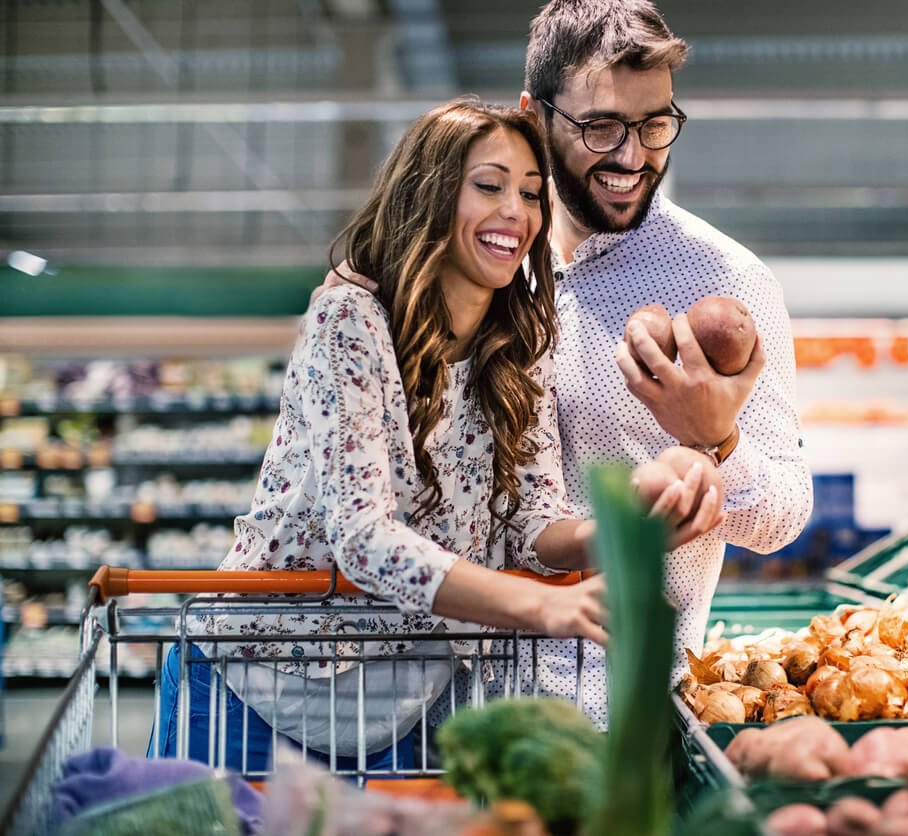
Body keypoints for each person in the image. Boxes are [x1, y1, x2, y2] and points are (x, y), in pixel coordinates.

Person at [152, 99, 722, 772]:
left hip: (402, 699)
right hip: (255, 680)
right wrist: (544, 606)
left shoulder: (519, 345)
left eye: (532, 194)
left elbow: (530, 526)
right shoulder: (351, 321)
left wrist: (627, 530)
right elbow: (363, 538)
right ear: (430, 195)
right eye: (489, 186)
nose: (517, 210)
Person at [326, 0, 813, 728]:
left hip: (620, 711)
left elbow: (783, 518)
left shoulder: (727, 285)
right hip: (423, 709)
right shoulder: (474, 265)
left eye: (654, 125)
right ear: (533, 118)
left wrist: (718, 441)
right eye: (599, 127)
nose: (631, 156)